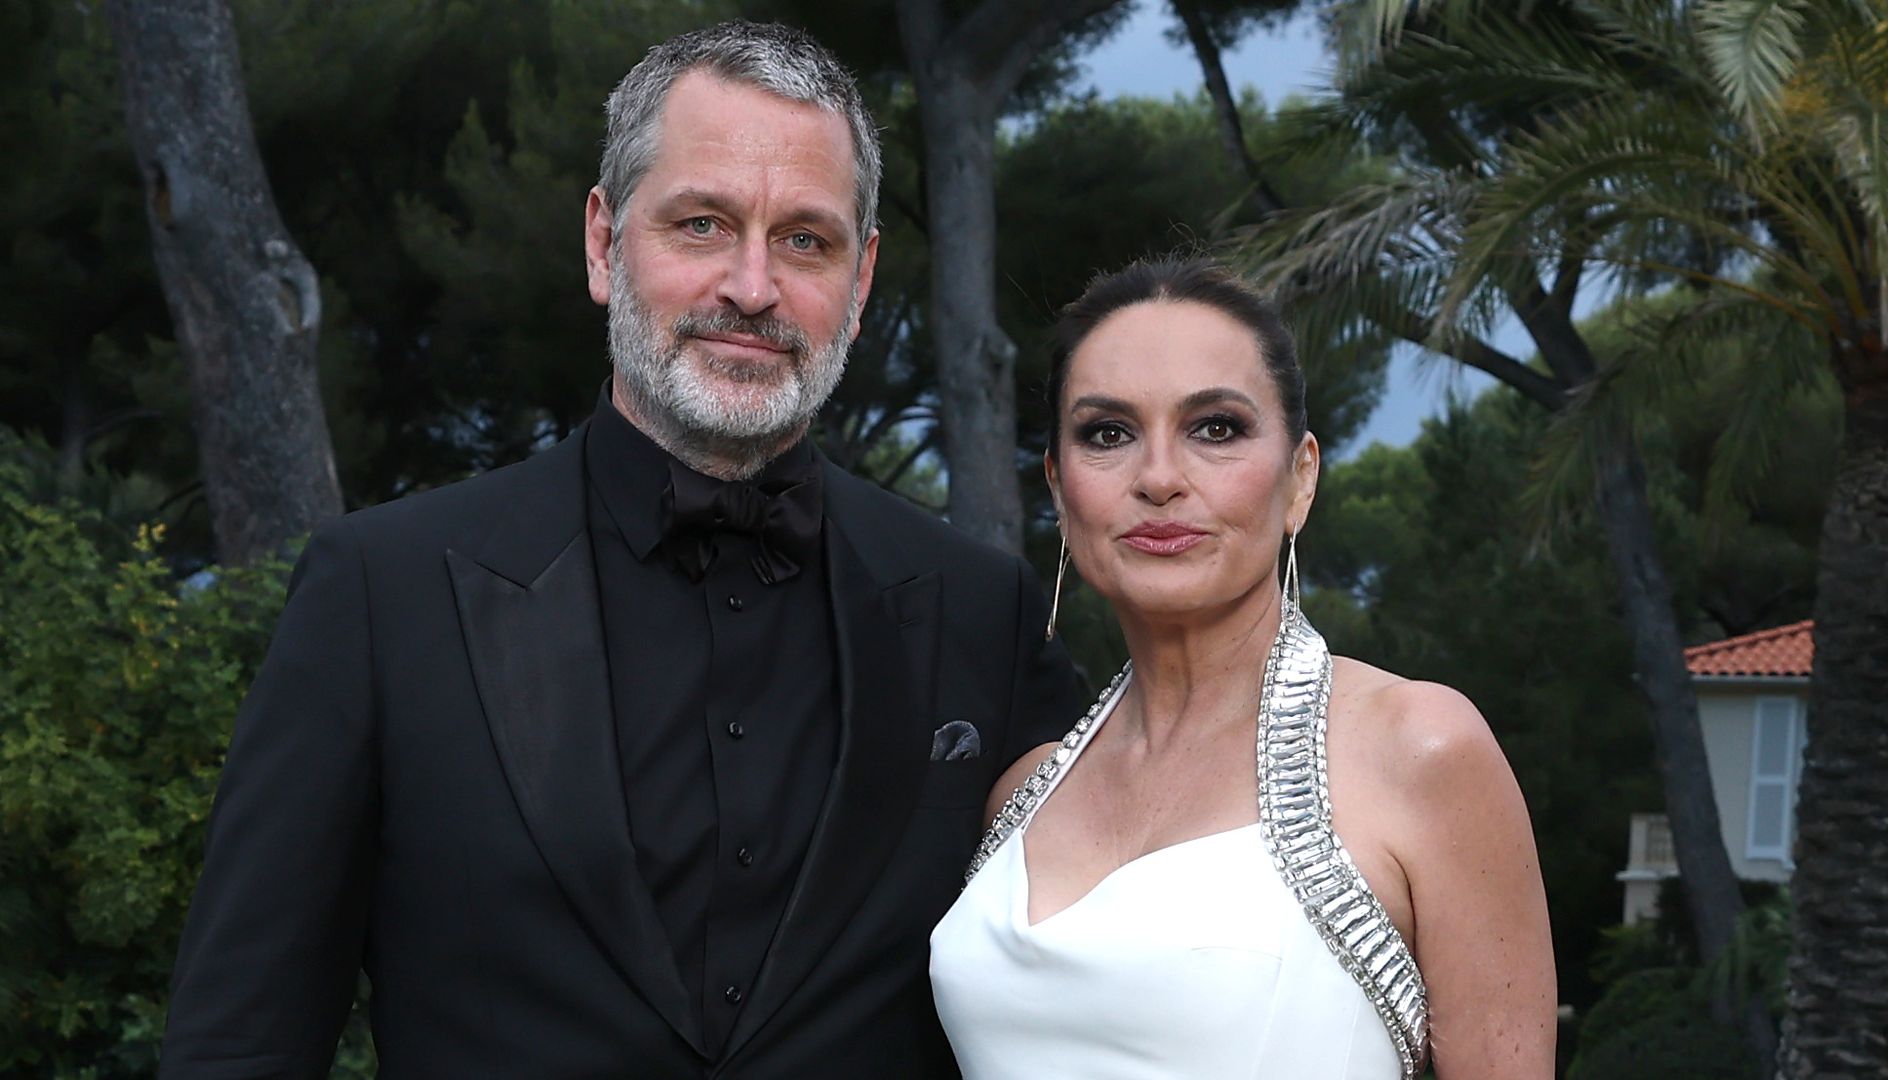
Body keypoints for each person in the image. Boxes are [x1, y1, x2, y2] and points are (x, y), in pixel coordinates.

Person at [159, 21, 1080, 1078]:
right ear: (604, 244)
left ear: (862, 281)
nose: (752, 286)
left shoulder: (981, 611)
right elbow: (240, 1041)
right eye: (702, 224)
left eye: (805, 241)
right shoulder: (384, 594)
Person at [930, 256, 1557, 1078]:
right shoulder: (1019, 793)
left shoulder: (1419, 750)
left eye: (1216, 429)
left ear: (1300, 479)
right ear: (1058, 484)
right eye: (1108, 433)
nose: (1159, 478)